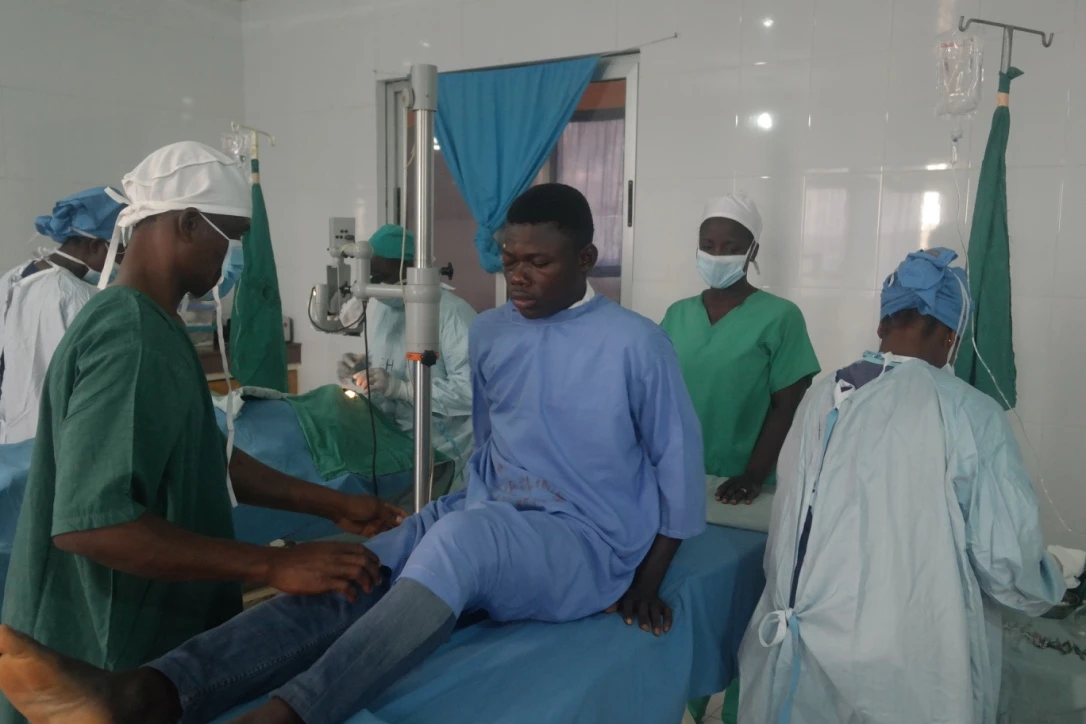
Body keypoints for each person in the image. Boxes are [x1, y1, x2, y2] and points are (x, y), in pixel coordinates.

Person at [0, 183, 706, 724]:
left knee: (464, 543)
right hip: (492, 508)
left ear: (585, 259)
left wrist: (646, 581)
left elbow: (677, 466)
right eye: (510, 260)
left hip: (586, 540)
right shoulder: (493, 333)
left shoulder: (635, 344)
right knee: (355, 570)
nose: (518, 276)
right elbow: (490, 443)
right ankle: (151, 691)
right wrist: (446, 522)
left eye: (539, 263)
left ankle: (292, 712)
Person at [0, 142, 404, 723]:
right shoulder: (130, 335)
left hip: (150, 636)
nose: (234, 256)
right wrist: (272, 565)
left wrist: (334, 504)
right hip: (106, 649)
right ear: (187, 223)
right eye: (232, 236)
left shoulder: (150, 324)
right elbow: (94, 525)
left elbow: (207, 455)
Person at [737, 248, 1065, 724]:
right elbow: (1006, 565)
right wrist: (1053, 578)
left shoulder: (822, 396)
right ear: (951, 336)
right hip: (900, 664)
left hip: (800, 644)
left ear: (882, 325)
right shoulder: (968, 412)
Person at [661, 193, 819, 509]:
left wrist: (753, 476)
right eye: (708, 246)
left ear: (752, 251)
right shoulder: (677, 314)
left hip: (741, 484)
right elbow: (656, 395)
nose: (717, 256)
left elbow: (787, 407)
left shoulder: (780, 317)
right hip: (674, 474)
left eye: (731, 248)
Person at [336, 224, 476, 483]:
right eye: (371, 277)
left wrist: (401, 389)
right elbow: (393, 361)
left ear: (412, 269)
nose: (375, 287)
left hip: (444, 455)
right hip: (396, 447)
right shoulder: (384, 307)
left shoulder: (452, 314)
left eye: (381, 277)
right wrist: (362, 366)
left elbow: (470, 391)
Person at [0, 188, 127, 443]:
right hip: (51, 439)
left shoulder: (13, 277)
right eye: (120, 252)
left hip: (10, 435)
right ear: (96, 246)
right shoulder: (75, 296)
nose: (122, 263)